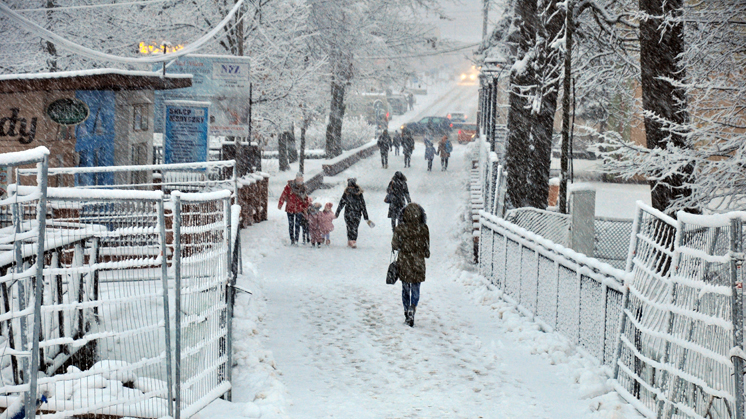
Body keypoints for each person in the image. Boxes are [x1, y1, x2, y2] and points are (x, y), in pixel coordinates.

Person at [392, 203, 429, 327]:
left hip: (404, 261)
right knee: (416, 287)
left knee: (405, 288)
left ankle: (406, 310)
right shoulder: (423, 228)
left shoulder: (400, 228)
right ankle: (413, 307)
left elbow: (395, 245)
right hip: (418, 262)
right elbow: (427, 250)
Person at [335, 178, 371, 248]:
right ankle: (353, 241)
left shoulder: (347, 193)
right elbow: (363, 205)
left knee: (350, 227)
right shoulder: (358, 193)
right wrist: (365, 216)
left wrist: (337, 213)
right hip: (356, 213)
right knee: (354, 227)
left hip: (348, 213)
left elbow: (341, 203)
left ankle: (351, 240)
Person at [278, 172, 309, 245]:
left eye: (301, 180)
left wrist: (305, 208)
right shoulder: (289, 186)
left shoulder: (303, 188)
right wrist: (280, 203)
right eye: (298, 180)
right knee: (291, 224)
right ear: (296, 179)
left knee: (297, 224)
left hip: (299, 209)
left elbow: (305, 199)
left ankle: (296, 239)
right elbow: (284, 194)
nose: (299, 182)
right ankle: (292, 238)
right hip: (290, 208)